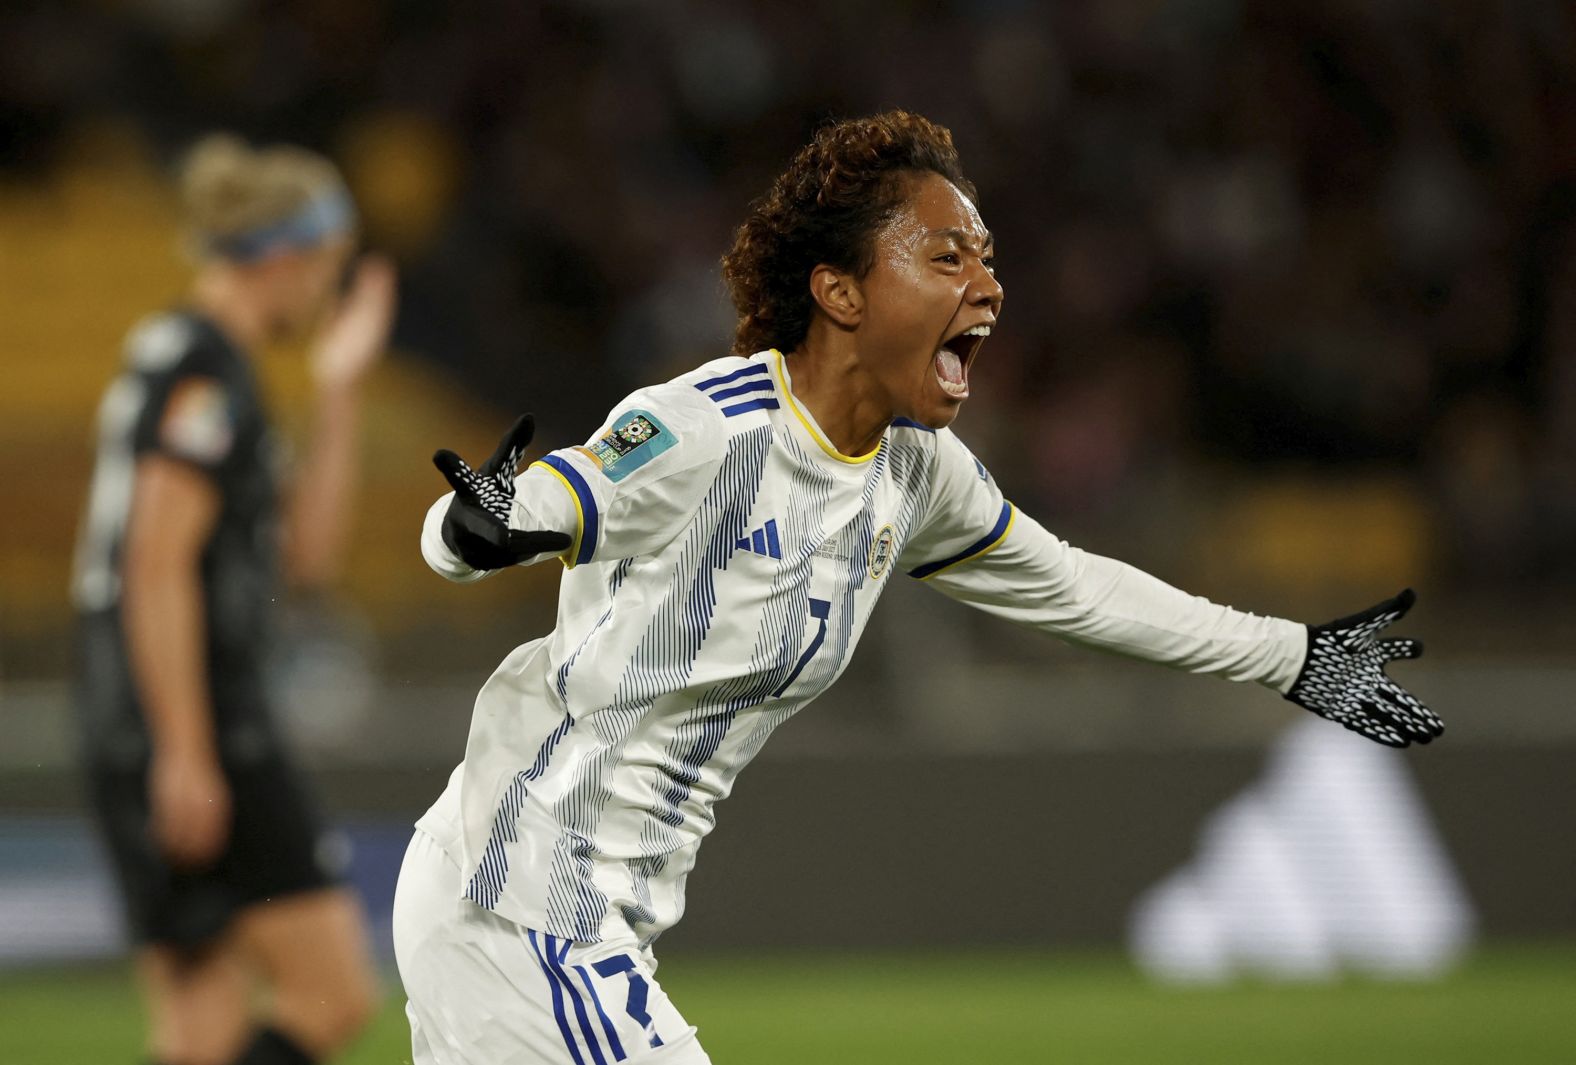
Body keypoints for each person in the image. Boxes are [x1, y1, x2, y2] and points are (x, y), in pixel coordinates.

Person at [393, 111, 1442, 1065]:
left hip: (573, 919)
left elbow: (1075, 589)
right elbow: (520, 510)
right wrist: (475, 524)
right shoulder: (707, 429)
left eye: (987, 261)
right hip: (522, 909)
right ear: (839, 290)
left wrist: (1291, 655)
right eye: (947, 257)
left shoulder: (913, 473)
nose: (986, 287)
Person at [72, 134, 391, 1065]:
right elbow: (155, 562)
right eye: (330, 269)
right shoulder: (203, 369)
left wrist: (338, 392)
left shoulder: (194, 360)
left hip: (146, 713)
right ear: (287, 256)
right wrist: (184, 748)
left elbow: (307, 557)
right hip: (192, 713)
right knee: (331, 994)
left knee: (201, 1031)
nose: (329, 294)